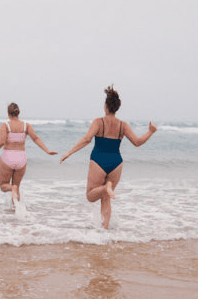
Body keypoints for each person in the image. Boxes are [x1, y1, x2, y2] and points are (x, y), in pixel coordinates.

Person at [60, 86, 157, 228]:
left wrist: (69, 152)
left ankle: (106, 188)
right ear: (116, 108)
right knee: (106, 199)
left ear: (105, 106)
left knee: (91, 195)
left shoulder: (99, 122)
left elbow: (87, 139)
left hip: (99, 160)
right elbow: (137, 142)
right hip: (116, 163)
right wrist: (150, 132)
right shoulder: (123, 125)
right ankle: (104, 229)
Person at [0, 102, 57, 205]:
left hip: (8, 156)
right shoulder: (26, 126)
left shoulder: (5, 125)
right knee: (16, 188)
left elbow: (1, 142)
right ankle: (16, 211)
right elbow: (36, 138)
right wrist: (47, 151)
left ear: (8, 113)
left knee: (4, 186)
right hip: (21, 158)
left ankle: (13, 190)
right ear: (18, 113)